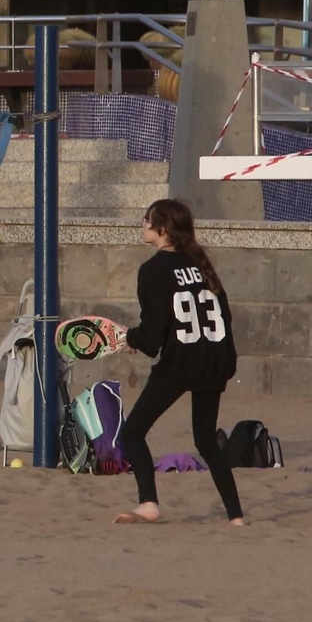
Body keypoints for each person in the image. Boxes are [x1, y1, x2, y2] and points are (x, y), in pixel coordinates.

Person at [115, 199, 245, 526]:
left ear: (162, 230)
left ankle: (148, 503)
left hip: (181, 362)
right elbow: (224, 318)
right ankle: (236, 516)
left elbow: (153, 335)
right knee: (205, 440)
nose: (142, 225)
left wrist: (130, 339)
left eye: (146, 221)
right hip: (214, 360)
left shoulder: (152, 269)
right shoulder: (202, 264)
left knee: (132, 433)